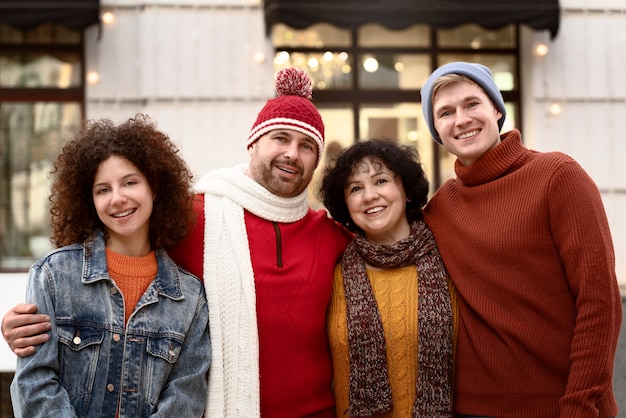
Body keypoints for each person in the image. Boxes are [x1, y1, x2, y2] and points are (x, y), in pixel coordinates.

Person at [1, 68, 352, 417]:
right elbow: (95, 258)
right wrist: (21, 324)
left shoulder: (333, 236)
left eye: (306, 145)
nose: (292, 153)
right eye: (280, 138)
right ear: (253, 143)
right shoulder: (196, 215)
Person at [419, 61, 622, 417]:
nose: (461, 119)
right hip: (471, 408)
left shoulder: (558, 176)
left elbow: (599, 302)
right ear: (437, 130)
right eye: (445, 112)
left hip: (561, 407)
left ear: (496, 109)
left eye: (471, 104)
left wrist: (579, 405)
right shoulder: (441, 207)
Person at [9, 115, 211, 417]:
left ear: (154, 188)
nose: (117, 198)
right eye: (103, 189)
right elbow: (33, 385)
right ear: (88, 199)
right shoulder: (53, 276)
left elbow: (187, 395)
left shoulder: (190, 296)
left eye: (130, 182)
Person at [318, 138, 457, 418]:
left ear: (405, 189)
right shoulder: (333, 276)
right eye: (356, 188)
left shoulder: (449, 261)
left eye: (381, 181)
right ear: (346, 204)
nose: (369, 196)